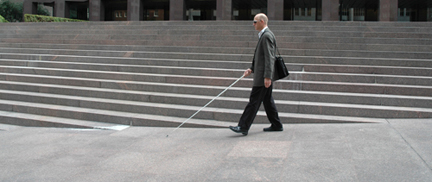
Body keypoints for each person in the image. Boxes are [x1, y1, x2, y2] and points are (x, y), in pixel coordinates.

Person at [229, 13, 283, 136]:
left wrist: (268, 76)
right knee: (267, 101)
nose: (253, 24)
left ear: (262, 22)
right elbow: (262, 58)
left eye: (255, 21)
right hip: (262, 75)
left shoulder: (267, 36)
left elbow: (270, 58)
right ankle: (276, 124)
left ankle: (243, 126)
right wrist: (251, 69)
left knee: (254, 101)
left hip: (262, 77)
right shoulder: (264, 35)